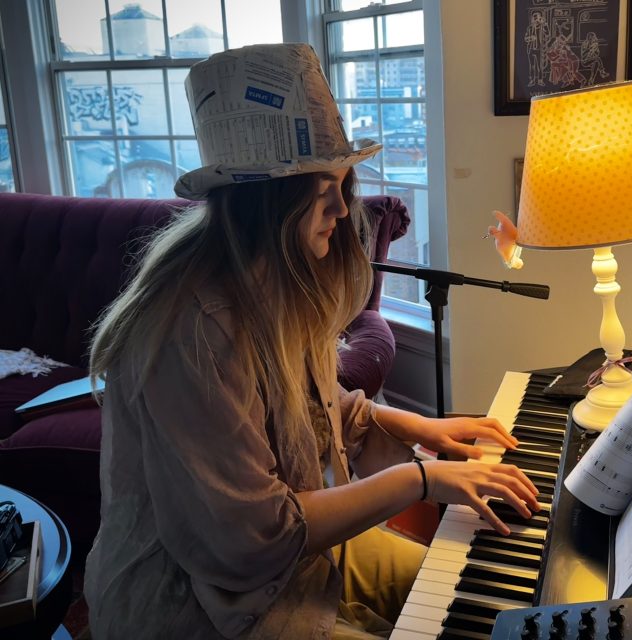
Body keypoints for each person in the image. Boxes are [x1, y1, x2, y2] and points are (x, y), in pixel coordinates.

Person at [83, 44, 540, 640]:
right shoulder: (191, 330)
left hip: (283, 565)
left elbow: (310, 410)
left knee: (478, 588)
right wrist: (420, 479)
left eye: (341, 178)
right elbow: (252, 536)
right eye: (318, 184)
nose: (339, 203)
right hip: (194, 604)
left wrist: (418, 428)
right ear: (262, 199)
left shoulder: (273, 281)